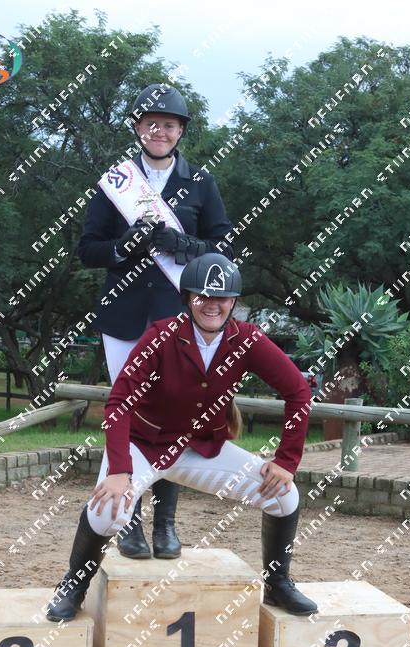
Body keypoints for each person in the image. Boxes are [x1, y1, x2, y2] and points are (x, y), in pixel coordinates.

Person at [46, 253, 318, 622]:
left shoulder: (247, 339)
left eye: (221, 297)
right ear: (188, 297)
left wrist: (286, 461)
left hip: (200, 450)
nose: (212, 304)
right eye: (202, 296)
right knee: (109, 511)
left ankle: (278, 583)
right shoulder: (161, 335)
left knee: (284, 496)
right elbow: (120, 402)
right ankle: (73, 586)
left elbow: (298, 391)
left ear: (233, 302)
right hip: (143, 447)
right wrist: (119, 470)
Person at [78, 83, 234, 561]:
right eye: (151, 123)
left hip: (177, 316)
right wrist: (123, 246)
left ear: (180, 131)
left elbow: (224, 245)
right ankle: (129, 520)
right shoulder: (116, 182)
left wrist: (184, 246)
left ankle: (165, 522)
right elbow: (88, 249)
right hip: (124, 316)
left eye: (168, 124)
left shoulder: (201, 182)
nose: (159, 131)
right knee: (127, 411)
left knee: (174, 414)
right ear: (138, 127)